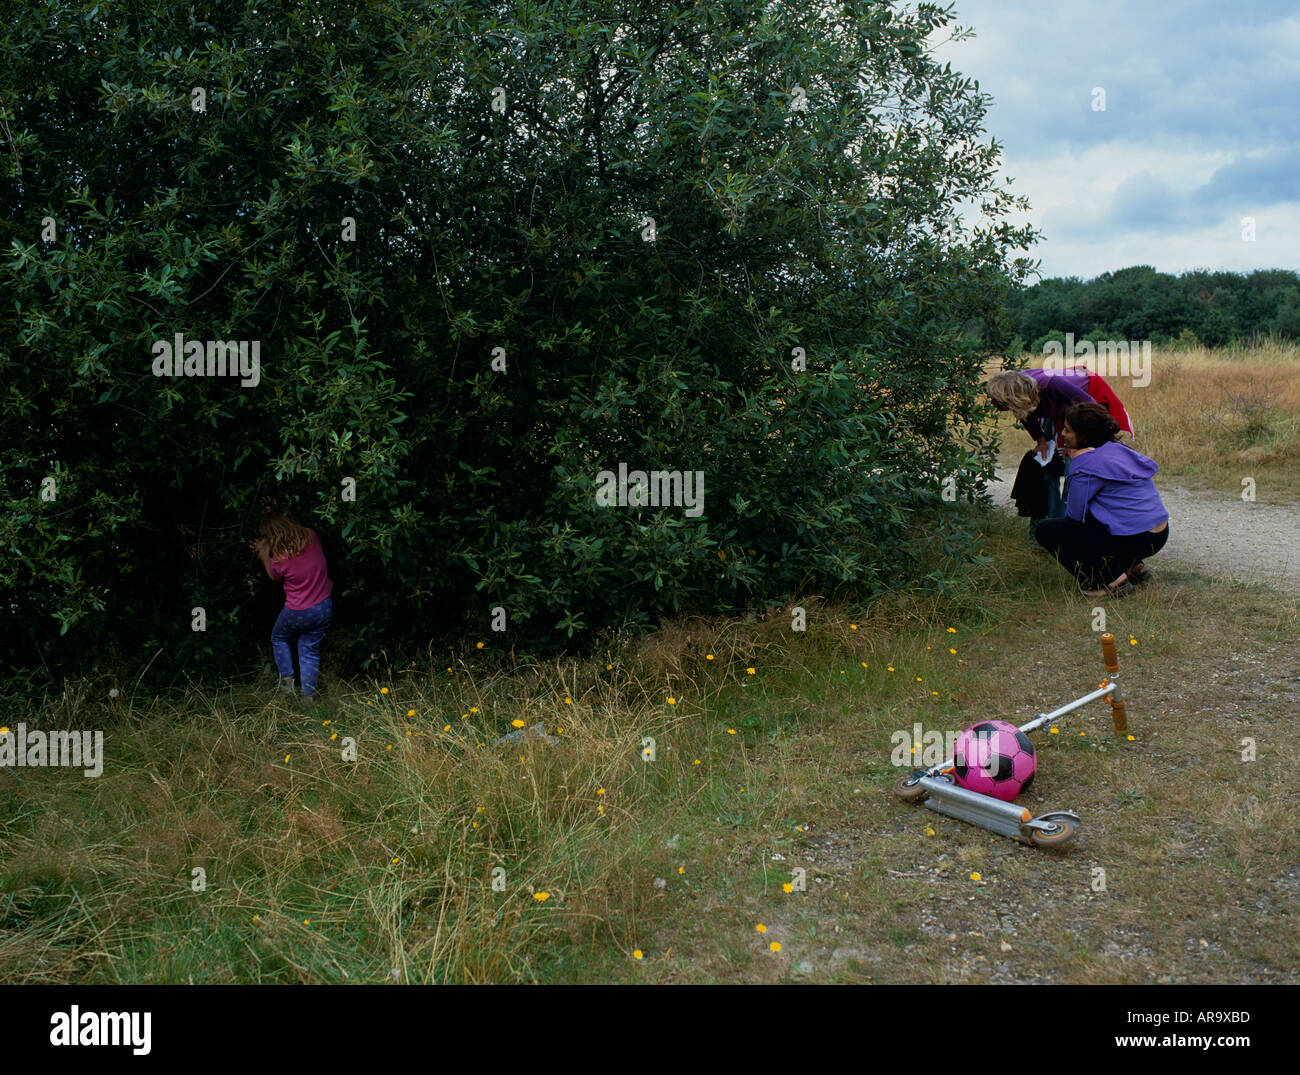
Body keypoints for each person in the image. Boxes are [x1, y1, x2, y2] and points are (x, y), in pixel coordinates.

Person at [1033, 402, 1169, 597]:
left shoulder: (1086, 464)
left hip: (1137, 537)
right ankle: (1131, 566)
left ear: (1084, 435)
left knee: (1046, 531)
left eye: (1068, 430)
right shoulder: (1118, 448)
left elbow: (1074, 516)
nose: (1062, 434)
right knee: (1101, 513)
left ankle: (1107, 580)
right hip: (1160, 533)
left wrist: (1075, 464)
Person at [250, 513, 334, 698]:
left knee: (279, 638)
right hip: (324, 607)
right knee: (309, 649)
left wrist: (264, 553)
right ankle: (308, 697)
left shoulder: (280, 561)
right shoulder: (311, 536)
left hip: (299, 611)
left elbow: (273, 576)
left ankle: (287, 686)